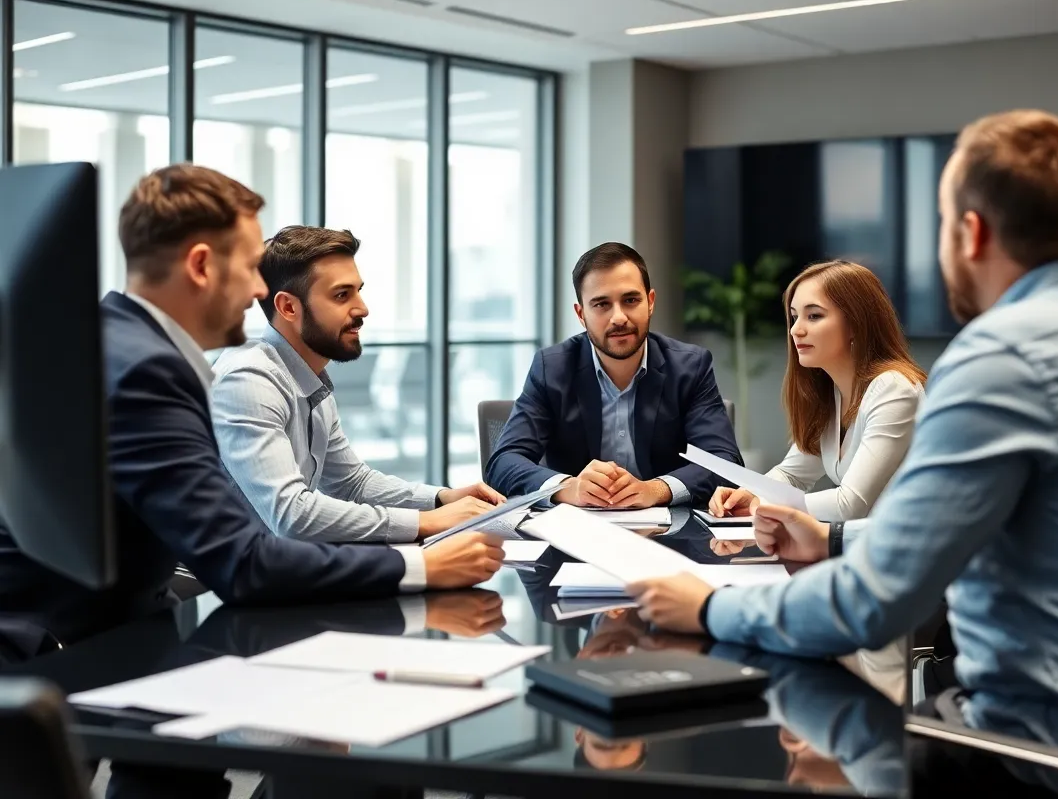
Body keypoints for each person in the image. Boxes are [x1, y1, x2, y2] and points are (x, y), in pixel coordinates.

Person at [626, 110, 1058, 794]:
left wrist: (703, 606)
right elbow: (1018, 525)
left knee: (794, 740)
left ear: (971, 232)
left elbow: (874, 605)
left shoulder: (1003, 355)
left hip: (1038, 756)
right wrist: (837, 542)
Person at [0, 165, 505, 657]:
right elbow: (242, 562)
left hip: (110, 621)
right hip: (72, 644)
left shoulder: (115, 343)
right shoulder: (145, 373)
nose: (259, 291)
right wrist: (420, 565)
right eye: (247, 268)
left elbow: (335, 490)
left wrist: (434, 507)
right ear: (200, 266)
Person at [211, 225, 505, 584]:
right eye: (341, 296)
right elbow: (292, 516)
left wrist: (442, 499)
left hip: (289, 575)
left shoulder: (310, 378)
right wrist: (425, 522)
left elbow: (352, 483)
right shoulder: (249, 379)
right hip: (235, 590)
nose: (362, 309)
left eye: (358, 292)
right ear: (288, 306)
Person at [486, 242, 742, 508]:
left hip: (670, 534)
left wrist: (656, 489)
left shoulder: (690, 366)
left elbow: (725, 462)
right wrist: (568, 487)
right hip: (574, 534)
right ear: (581, 314)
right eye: (601, 304)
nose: (619, 317)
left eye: (630, 300)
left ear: (650, 302)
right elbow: (503, 462)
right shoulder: (551, 368)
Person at [708, 261, 925, 533]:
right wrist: (751, 493)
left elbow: (850, 505)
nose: (795, 330)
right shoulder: (830, 392)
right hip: (867, 547)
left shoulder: (894, 389)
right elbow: (792, 475)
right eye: (794, 316)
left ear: (857, 323)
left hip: (911, 553)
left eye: (814, 316)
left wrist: (763, 506)